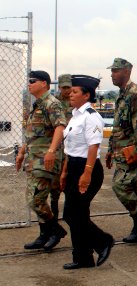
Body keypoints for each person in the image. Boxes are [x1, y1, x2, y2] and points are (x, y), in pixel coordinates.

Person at [61, 75, 114, 269]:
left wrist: (87, 174)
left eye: (75, 92)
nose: (70, 94)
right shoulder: (75, 116)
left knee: (73, 214)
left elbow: (93, 146)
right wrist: (65, 172)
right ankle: (83, 257)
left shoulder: (92, 116)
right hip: (74, 167)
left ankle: (103, 241)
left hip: (88, 168)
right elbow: (70, 148)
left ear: (86, 95)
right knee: (76, 214)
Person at [16, 70, 67, 251]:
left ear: (44, 83)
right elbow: (32, 135)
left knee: (36, 199)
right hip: (33, 159)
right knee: (35, 198)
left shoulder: (51, 103)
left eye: (33, 81)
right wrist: (21, 153)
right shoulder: (37, 105)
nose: (29, 84)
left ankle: (55, 231)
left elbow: (60, 127)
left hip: (45, 160)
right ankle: (45, 233)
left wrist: (52, 151)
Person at [105, 58, 137, 243]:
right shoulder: (121, 94)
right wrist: (110, 149)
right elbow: (117, 126)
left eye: (116, 71)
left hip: (133, 150)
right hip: (120, 150)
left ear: (127, 71)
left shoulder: (135, 94)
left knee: (121, 185)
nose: (112, 74)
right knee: (130, 187)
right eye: (112, 71)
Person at [48, 74, 74, 222]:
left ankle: (69, 215)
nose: (66, 91)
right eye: (63, 87)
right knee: (54, 186)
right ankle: (54, 216)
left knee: (71, 184)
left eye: (68, 87)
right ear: (59, 87)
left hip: (71, 148)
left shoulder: (75, 102)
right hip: (58, 148)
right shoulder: (54, 102)